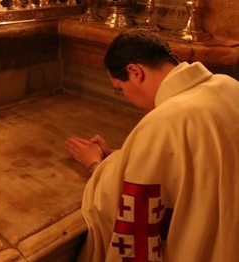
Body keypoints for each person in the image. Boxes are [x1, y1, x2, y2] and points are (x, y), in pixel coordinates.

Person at [65, 29, 239, 262]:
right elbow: (199, 160)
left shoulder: (165, 120)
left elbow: (132, 202)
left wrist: (95, 165)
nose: (125, 96)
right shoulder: (228, 85)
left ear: (135, 72)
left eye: (120, 89)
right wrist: (123, 155)